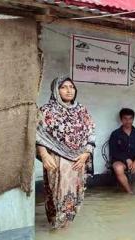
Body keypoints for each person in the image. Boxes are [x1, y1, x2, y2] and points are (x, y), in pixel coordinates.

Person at [36, 76, 95, 229]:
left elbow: (91, 132)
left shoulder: (81, 110)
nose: (69, 90)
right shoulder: (46, 110)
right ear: (56, 90)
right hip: (57, 160)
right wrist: (44, 154)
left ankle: (64, 229)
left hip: (79, 160)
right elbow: (38, 135)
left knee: (74, 196)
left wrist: (86, 154)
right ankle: (58, 228)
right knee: (58, 196)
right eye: (64, 87)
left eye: (72, 87)